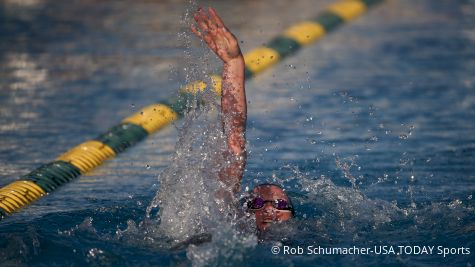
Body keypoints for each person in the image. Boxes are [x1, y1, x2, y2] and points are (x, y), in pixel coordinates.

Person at [191, 7, 294, 232]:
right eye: (256, 204)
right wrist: (234, 63)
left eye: (281, 204)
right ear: (241, 213)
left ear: (293, 216)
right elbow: (235, 144)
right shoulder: (231, 232)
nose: (270, 210)